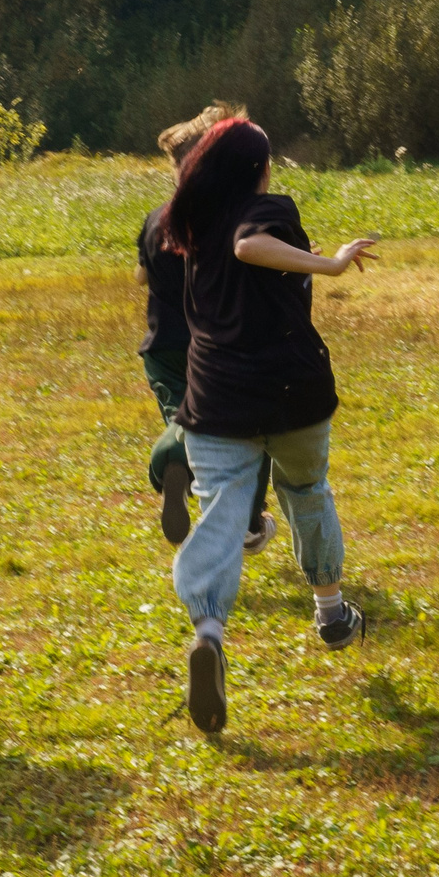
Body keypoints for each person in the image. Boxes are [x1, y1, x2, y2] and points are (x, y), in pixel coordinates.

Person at [164, 117, 377, 734]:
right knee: (306, 491)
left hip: (218, 397)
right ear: (257, 169)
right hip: (290, 392)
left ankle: (209, 632)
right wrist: (330, 264)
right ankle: (332, 613)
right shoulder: (266, 210)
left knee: (224, 510)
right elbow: (249, 247)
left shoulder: (191, 217)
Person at [141, 104, 273, 553]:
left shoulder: (158, 219)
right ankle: (250, 521)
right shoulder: (224, 220)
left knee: (186, 423)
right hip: (212, 346)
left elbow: (141, 276)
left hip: (162, 346)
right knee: (241, 430)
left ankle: (173, 465)